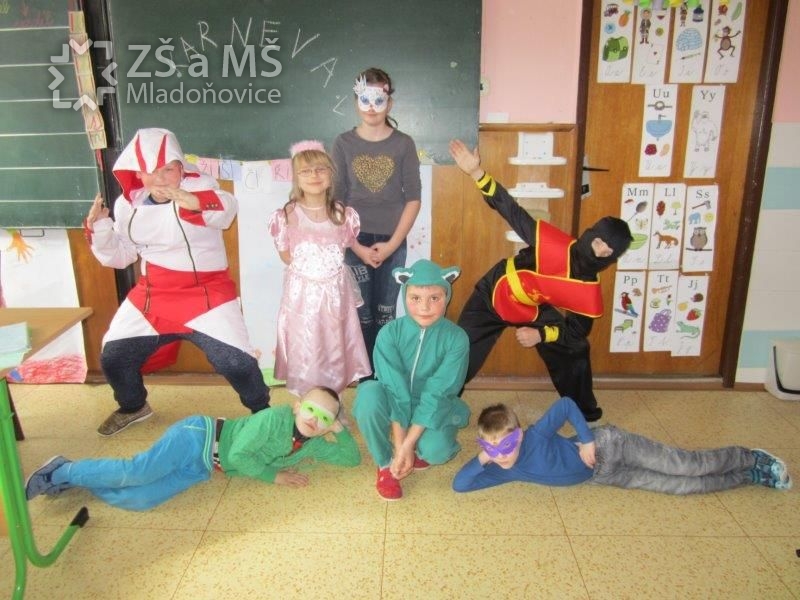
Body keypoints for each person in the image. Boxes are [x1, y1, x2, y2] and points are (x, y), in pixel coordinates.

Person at [84, 128, 270, 436]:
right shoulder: (127, 204)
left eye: (168, 170)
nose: (160, 179)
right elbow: (121, 256)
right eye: (150, 172)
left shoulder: (200, 185)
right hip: (152, 294)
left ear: (181, 168)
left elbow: (225, 210)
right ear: (137, 173)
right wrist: (101, 228)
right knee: (114, 357)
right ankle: (133, 405)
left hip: (207, 294)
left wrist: (193, 201)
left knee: (236, 362)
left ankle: (262, 410)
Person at [449, 139, 633, 423]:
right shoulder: (553, 243)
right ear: (590, 234)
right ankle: (441, 402)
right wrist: (476, 173)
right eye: (599, 243)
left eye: (608, 253)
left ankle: (582, 411)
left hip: (532, 308)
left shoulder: (588, 290)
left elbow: (576, 332)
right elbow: (511, 210)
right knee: (460, 352)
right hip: (496, 291)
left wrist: (541, 335)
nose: (599, 253)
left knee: (576, 349)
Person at [25, 387, 360, 511]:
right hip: (198, 437)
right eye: (311, 410)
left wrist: (340, 431)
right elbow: (239, 455)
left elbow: (351, 459)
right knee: (137, 471)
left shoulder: (314, 443)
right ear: (297, 406)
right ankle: (61, 470)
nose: (314, 420)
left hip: (204, 466)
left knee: (141, 500)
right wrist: (274, 476)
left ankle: (80, 479)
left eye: (325, 418)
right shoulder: (273, 418)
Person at [453, 397, 792, 495]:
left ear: (519, 435)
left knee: (685, 466)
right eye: (492, 449)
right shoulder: (503, 469)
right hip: (604, 475)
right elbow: (460, 484)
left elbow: (567, 404)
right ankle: (749, 476)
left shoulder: (536, 435)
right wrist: (484, 456)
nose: (502, 455)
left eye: (506, 445)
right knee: (682, 487)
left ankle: (750, 457)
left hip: (610, 447)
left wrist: (586, 441)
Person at [353, 259, 470, 500]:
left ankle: (420, 443)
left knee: (436, 452)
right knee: (367, 396)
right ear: (405, 296)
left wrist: (408, 444)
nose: (424, 307)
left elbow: (439, 391)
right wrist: (399, 449)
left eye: (434, 298)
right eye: (415, 298)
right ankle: (385, 464)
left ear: (446, 296)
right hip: (395, 397)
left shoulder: (457, 338)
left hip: (434, 403)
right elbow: (395, 389)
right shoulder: (389, 333)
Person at [332, 67, 422, 373]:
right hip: (353, 241)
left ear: (389, 102)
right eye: (365, 99)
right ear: (356, 101)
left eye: (379, 100)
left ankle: (385, 374)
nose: (371, 107)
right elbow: (337, 200)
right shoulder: (343, 143)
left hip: (392, 240)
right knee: (361, 314)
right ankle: (365, 375)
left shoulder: (403, 144)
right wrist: (355, 246)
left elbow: (413, 198)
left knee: (385, 312)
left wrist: (392, 245)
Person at [267, 141, 371, 396]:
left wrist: (365, 254)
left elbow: (346, 246)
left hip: (335, 292)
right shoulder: (286, 215)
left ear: (330, 174)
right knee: (306, 343)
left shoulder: (343, 214)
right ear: (296, 177)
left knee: (334, 343)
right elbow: (286, 255)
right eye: (305, 171)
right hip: (302, 293)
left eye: (320, 169)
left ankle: (333, 396)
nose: (314, 175)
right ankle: (307, 397)